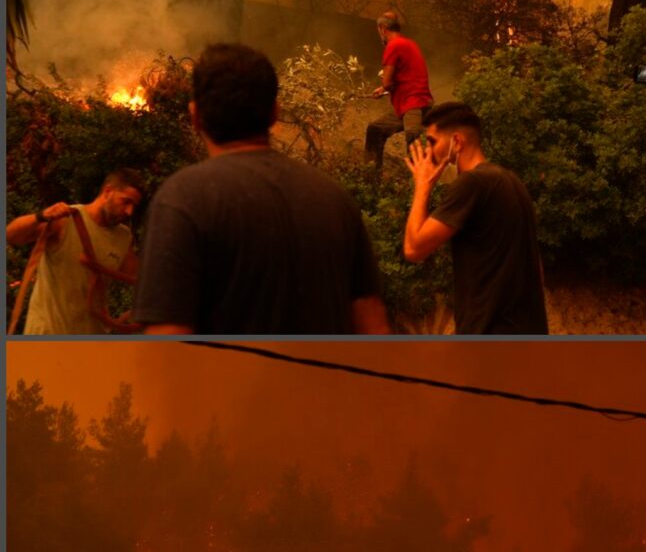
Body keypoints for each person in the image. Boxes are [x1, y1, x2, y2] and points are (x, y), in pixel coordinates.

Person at [133, 43, 389, 335]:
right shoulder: (334, 198)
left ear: (195, 117)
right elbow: (374, 329)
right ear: (274, 114)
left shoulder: (182, 199)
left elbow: (167, 347)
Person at [401, 102, 548, 334]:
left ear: (457, 142)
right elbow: (536, 266)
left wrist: (422, 186)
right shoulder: (513, 183)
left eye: (432, 141)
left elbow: (414, 248)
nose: (429, 152)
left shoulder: (472, 183)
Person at [5, 170, 146, 333]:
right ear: (108, 192)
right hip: (48, 336)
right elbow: (11, 235)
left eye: (134, 205)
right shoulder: (66, 219)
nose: (129, 211)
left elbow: (137, 278)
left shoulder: (123, 236)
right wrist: (41, 216)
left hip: (90, 342)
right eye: (126, 201)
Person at [365, 11, 433, 171]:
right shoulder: (409, 43)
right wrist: (383, 89)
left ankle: (418, 186)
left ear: (382, 29)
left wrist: (384, 86)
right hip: (410, 105)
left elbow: (388, 82)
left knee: (413, 144)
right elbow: (402, 78)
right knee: (376, 129)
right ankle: (370, 175)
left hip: (413, 105)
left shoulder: (393, 45)